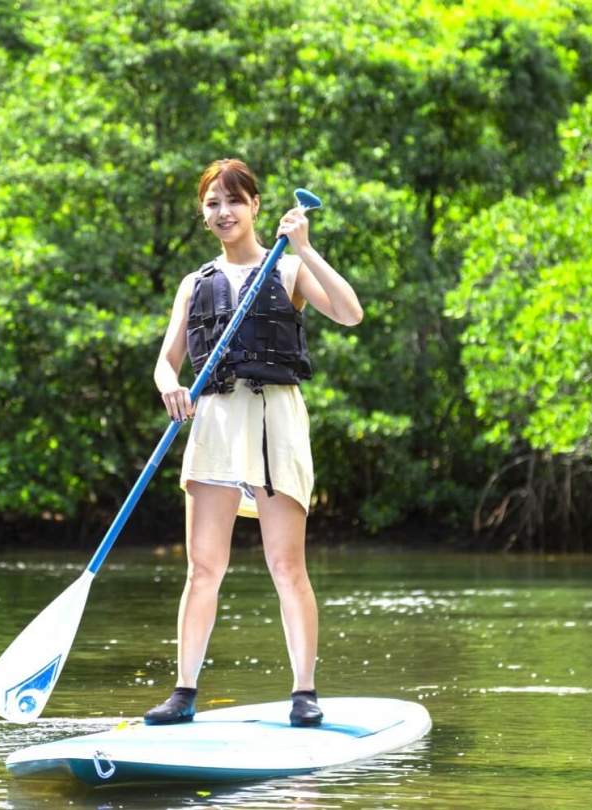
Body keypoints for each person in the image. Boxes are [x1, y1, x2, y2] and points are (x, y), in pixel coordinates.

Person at [146, 158, 363, 728]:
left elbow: (350, 312)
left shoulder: (287, 270)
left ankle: (304, 692)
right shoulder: (194, 283)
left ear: (255, 206)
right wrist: (171, 389)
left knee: (287, 566)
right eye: (213, 203)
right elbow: (166, 365)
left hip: (275, 421)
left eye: (233, 201)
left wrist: (306, 246)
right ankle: (184, 691)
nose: (223, 212)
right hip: (215, 421)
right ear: (203, 213)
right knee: (202, 568)